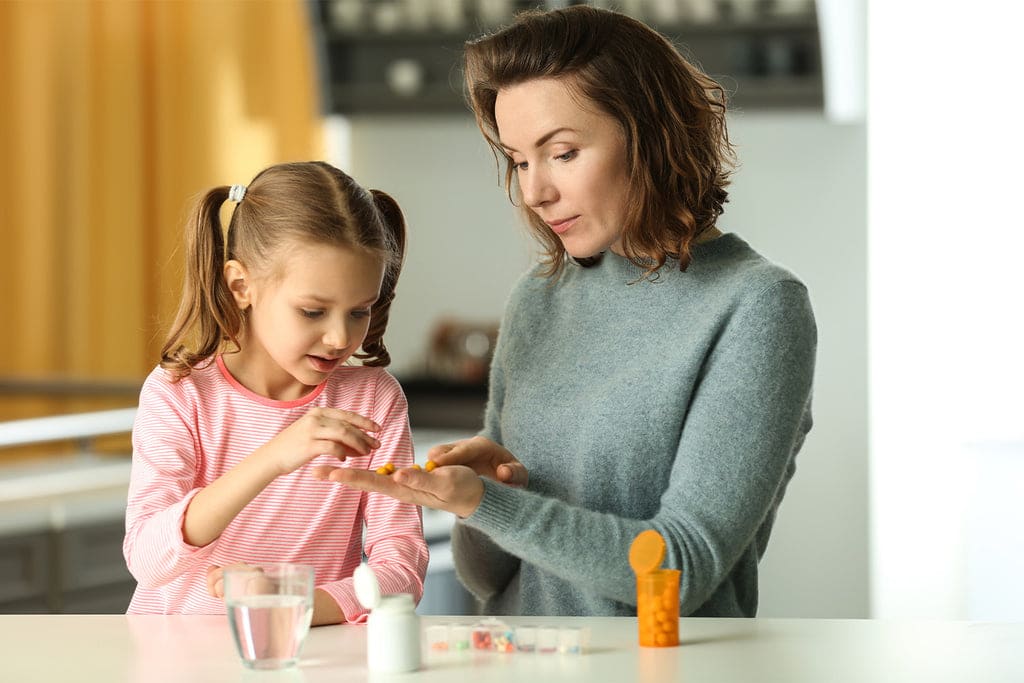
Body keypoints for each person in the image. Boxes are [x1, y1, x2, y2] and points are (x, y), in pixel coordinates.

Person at [326, 5, 816, 618]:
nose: (535, 192)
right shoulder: (539, 297)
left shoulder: (756, 307)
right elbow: (489, 580)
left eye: (561, 153)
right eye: (519, 161)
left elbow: (680, 569)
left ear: (650, 134)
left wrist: (492, 505)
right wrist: (489, 493)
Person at [123, 161, 428, 625]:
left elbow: (401, 570)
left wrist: (290, 602)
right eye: (312, 312)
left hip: (309, 659)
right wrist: (275, 456)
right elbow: (147, 558)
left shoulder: (373, 401)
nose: (338, 338)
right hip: (178, 658)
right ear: (241, 286)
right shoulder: (181, 394)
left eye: (359, 312)